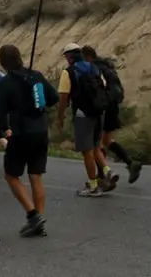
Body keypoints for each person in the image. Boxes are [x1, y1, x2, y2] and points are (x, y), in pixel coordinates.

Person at [0, 44, 57, 238]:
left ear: (3, 62)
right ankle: (39, 220)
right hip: (41, 130)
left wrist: (3, 129)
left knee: (11, 175)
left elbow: (0, 110)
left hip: (21, 133)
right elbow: (53, 98)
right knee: (36, 175)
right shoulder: (35, 76)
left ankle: (33, 214)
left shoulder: (6, 82)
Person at [56, 43, 112, 196]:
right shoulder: (93, 67)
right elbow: (104, 86)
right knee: (95, 146)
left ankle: (93, 186)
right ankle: (107, 171)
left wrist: (60, 117)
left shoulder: (68, 72)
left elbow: (63, 97)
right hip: (99, 112)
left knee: (86, 152)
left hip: (82, 114)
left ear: (69, 56)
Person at [82, 45, 142, 184]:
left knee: (97, 143)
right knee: (107, 140)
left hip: (104, 107)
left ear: (87, 57)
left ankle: (103, 177)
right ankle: (131, 163)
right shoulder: (107, 66)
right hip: (113, 106)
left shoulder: (94, 68)